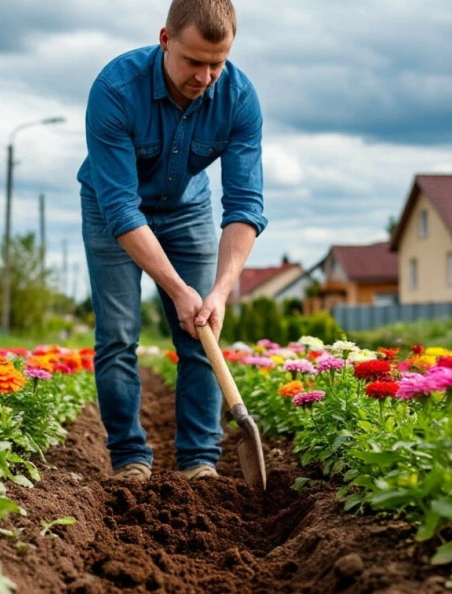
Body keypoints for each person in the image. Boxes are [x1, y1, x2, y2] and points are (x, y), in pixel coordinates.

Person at [78, 0, 266, 482]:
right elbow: (122, 209)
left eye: (217, 64)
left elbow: (245, 205)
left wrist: (218, 291)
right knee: (118, 336)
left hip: (187, 209)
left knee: (203, 330)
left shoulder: (239, 98)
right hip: (111, 209)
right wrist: (178, 289)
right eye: (194, 61)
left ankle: (199, 461)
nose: (205, 77)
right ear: (165, 40)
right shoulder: (115, 89)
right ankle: (129, 458)